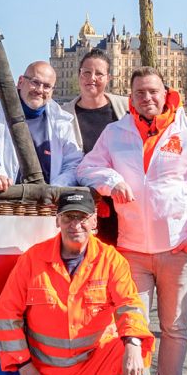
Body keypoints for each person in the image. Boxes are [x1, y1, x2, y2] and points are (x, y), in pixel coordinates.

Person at [76, 66, 187, 375]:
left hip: (179, 248)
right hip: (132, 249)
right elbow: (87, 168)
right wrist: (110, 180)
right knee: (133, 330)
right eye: (140, 93)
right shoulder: (116, 133)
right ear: (131, 98)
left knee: (174, 328)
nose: (147, 98)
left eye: (153, 92)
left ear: (167, 93)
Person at [0, 191, 159, 375]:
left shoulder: (111, 259)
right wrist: (24, 366)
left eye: (82, 218)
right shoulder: (33, 259)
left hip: (96, 359)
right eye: (69, 217)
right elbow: (6, 312)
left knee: (138, 359)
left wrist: (131, 344)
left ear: (94, 221)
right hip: (50, 374)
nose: (76, 225)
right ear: (58, 221)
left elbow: (129, 304)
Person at [0, 61, 82, 189]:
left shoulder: (61, 120)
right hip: (2, 197)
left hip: (46, 203)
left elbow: (73, 163)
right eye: (35, 82)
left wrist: (56, 188)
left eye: (46, 86)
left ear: (52, 91)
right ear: (20, 82)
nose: (39, 90)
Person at [62, 49, 129, 245]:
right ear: (79, 75)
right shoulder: (63, 114)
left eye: (99, 73)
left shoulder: (126, 108)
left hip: (122, 200)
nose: (92, 78)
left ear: (109, 77)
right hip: (81, 207)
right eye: (87, 72)